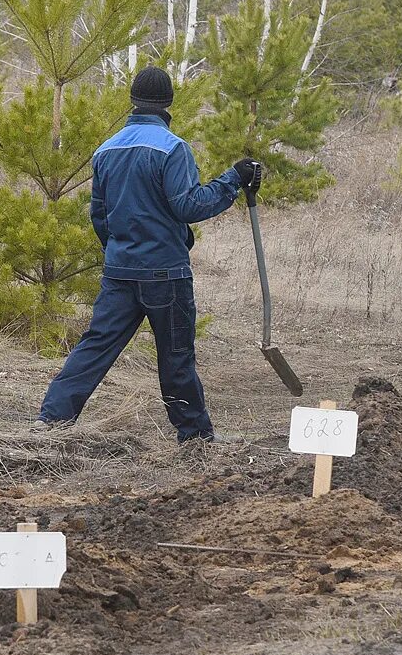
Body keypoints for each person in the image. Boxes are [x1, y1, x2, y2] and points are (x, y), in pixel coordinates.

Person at [33, 65, 260, 442]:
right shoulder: (173, 149)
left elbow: (100, 215)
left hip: (119, 272)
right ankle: (195, 439)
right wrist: (233, 179)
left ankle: (51, 421)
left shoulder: (105, 150)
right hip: (165, 276)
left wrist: (120, 254)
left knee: (95, 347)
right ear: (168, 104)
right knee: (175, 359)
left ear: (133, 101)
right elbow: (189, 206)